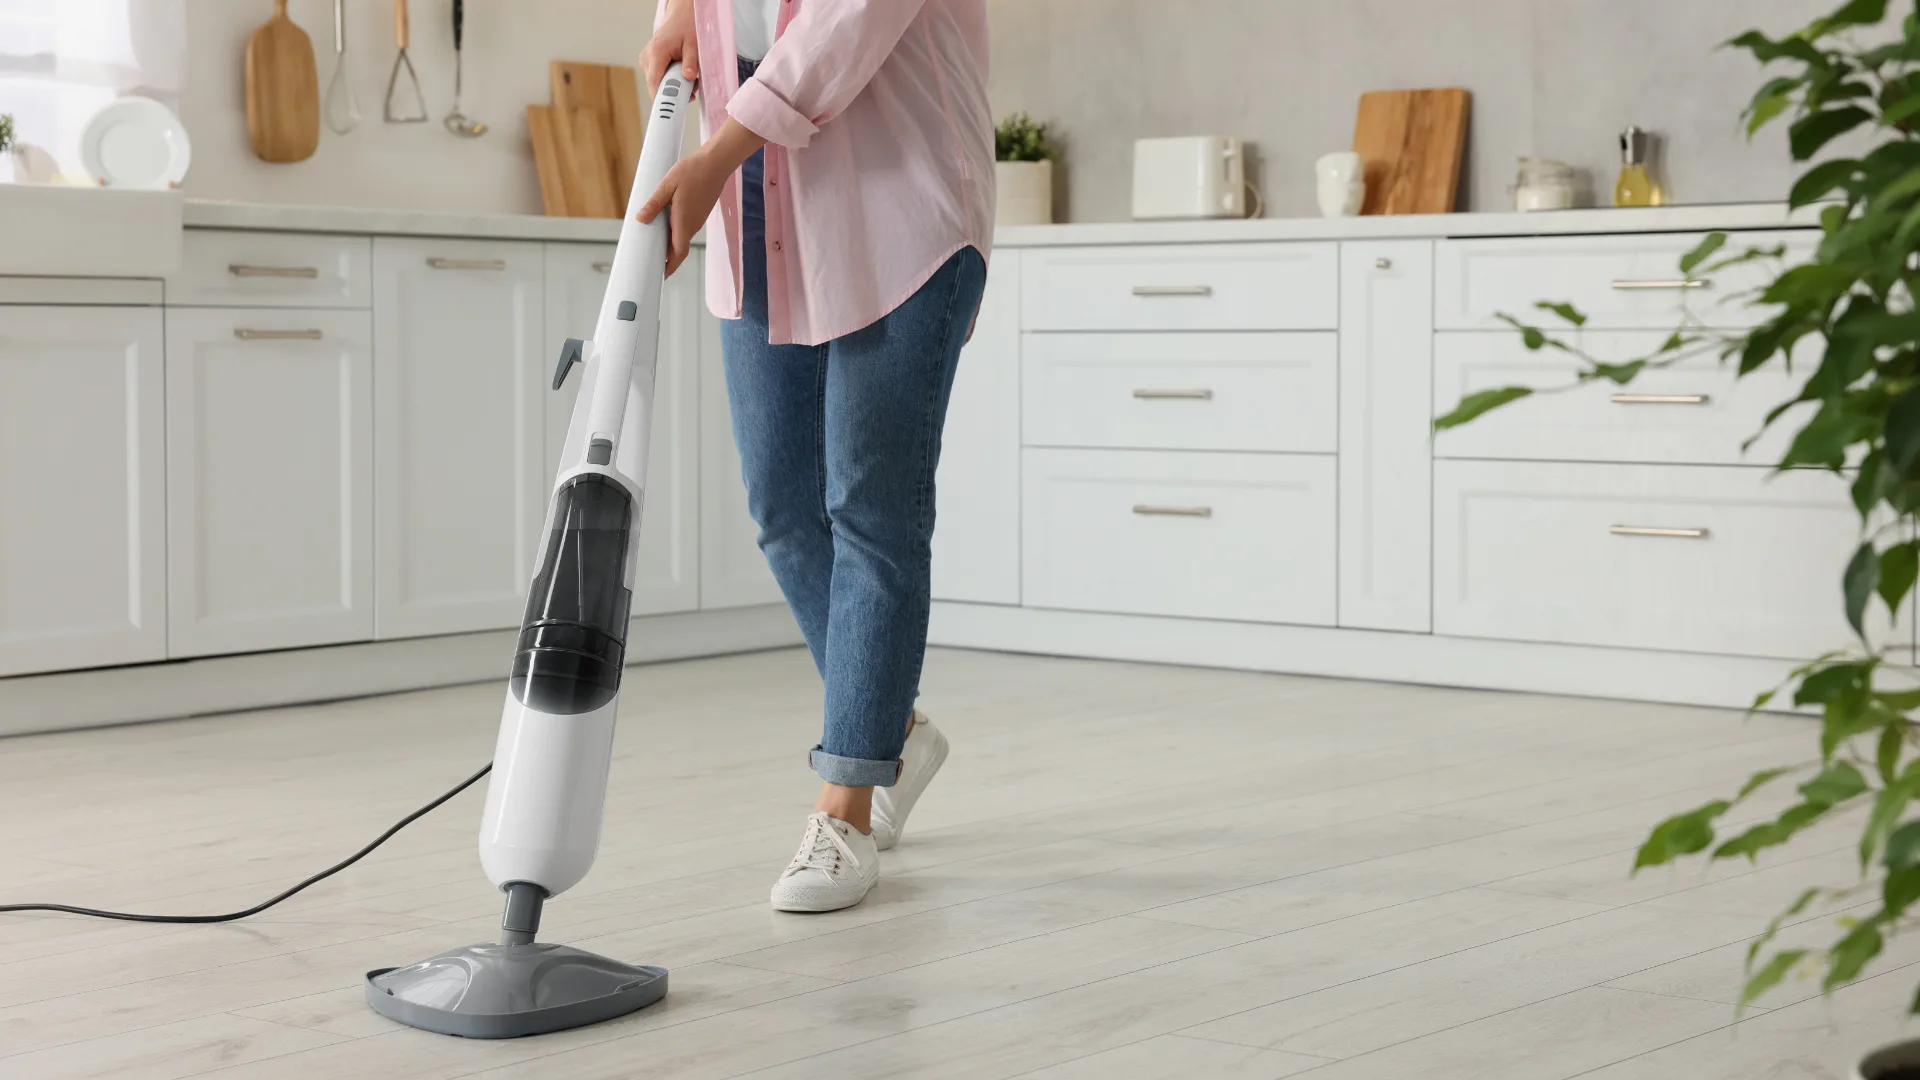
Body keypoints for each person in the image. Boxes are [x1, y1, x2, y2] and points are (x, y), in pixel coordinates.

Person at [637, 0, 994, 912]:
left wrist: (713, 160)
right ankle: (891, 727)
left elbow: (839, 34)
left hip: (901, 209)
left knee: (872, 511)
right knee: (784, 506)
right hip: (761, 207)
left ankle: (845, 807)